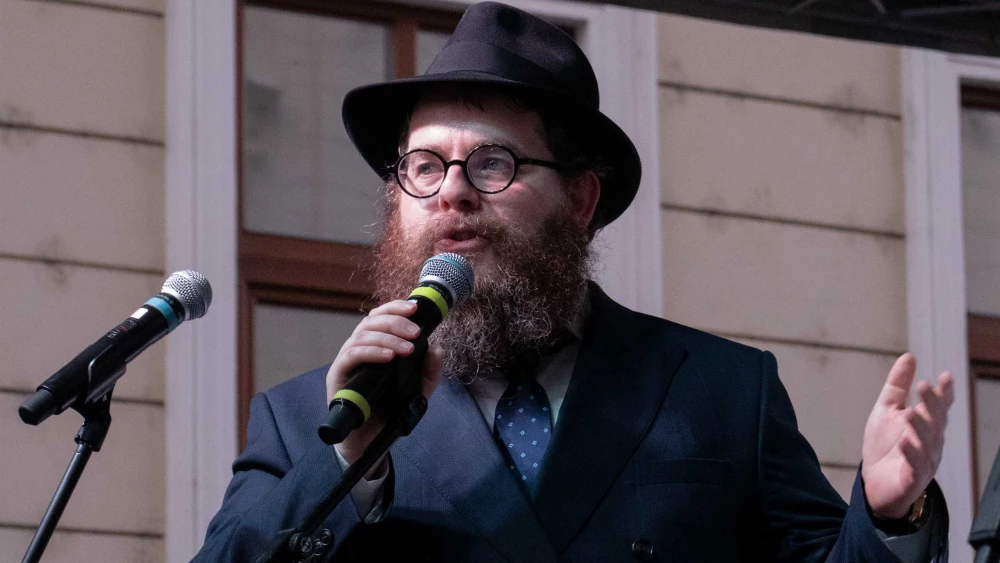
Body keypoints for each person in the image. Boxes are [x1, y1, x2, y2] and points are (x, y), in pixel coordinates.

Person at [194, 3, 953, 561]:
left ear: (581, 200)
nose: (451, 192)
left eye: (494, 163)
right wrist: (350, 458)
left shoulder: (722, 391)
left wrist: (889, 515)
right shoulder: (310, 421)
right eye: (424, 167)